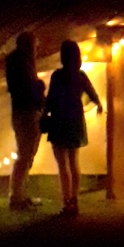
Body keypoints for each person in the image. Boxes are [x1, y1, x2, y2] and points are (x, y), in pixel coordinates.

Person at [42, 40, 103, 216]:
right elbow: (93, 94)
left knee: (62, 164)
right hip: (75, 121)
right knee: (74, 161)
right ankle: (74, 199)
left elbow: (51, 100)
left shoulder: (57, 76)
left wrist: (44, 113)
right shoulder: (81, 76)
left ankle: (66, 200)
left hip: (59, 120)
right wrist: (98, 105)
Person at [5, 31, 46, 211]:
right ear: (29, 45)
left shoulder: (17, 61)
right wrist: (40, 87)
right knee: (25, 155)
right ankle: (16, 197)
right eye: (35, 46)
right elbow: (28, 88)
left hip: (22, 112)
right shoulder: (22, 62)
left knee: (25, 155)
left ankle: (19, 194)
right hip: (27, 113)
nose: (37, 50)